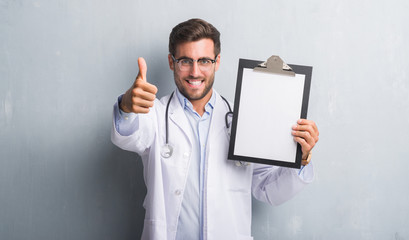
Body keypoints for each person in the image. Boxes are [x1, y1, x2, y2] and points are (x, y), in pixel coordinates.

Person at [111, 18, 319, 240]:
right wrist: (126, 106)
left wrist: (302, 156)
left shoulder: (243, 121)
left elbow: (268, 190)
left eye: (204, 61)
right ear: (171, 62)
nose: (195, 72)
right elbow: (128, 135)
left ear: (217, 62)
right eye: (185, 61)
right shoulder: (155, 115)